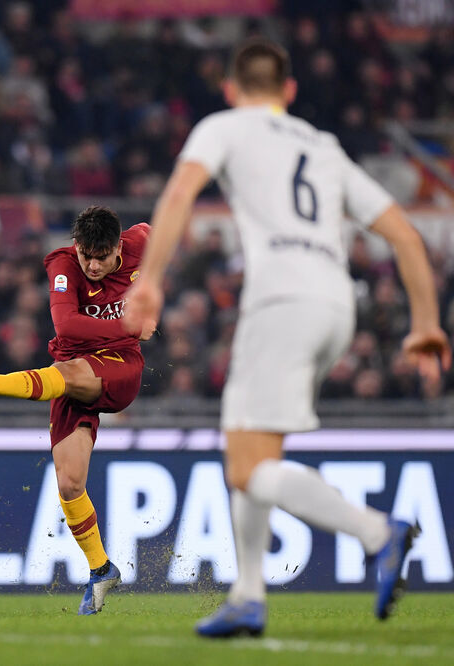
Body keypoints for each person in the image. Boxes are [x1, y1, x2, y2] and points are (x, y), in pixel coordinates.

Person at [122, 38, 452, 637]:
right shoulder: (322, 146)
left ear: (229, 88)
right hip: (335, 306)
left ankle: (380, 533)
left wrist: (149, 282)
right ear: (290, 91)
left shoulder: (223, 126)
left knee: (246, 468)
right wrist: (426, 325)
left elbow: (178, 195)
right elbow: (405, 236)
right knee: (251, 452)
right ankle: (248, 596)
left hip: (280, 302)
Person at [0, 205, 155, 615]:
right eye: (85, 254)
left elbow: (160, 255)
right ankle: (101, 568)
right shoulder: (61, 263)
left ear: (118, 249)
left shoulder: (141, 242)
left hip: (119, 368)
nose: (92, 265)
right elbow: (68, 329)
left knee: (68, 369)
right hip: (69, 379)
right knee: (70, 483)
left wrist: (154, 300)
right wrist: (132, 323)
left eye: (101, 256)